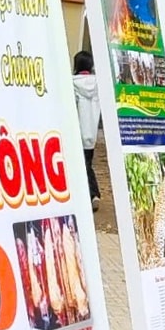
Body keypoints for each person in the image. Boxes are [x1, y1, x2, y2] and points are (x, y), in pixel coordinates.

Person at [72, 49, 102, 210]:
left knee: (83, 166)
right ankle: (86, 195)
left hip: (76, 133)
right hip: (91, 133)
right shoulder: (98, 84)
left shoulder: (73, 83)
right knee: (87, 163)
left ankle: (93, 193)